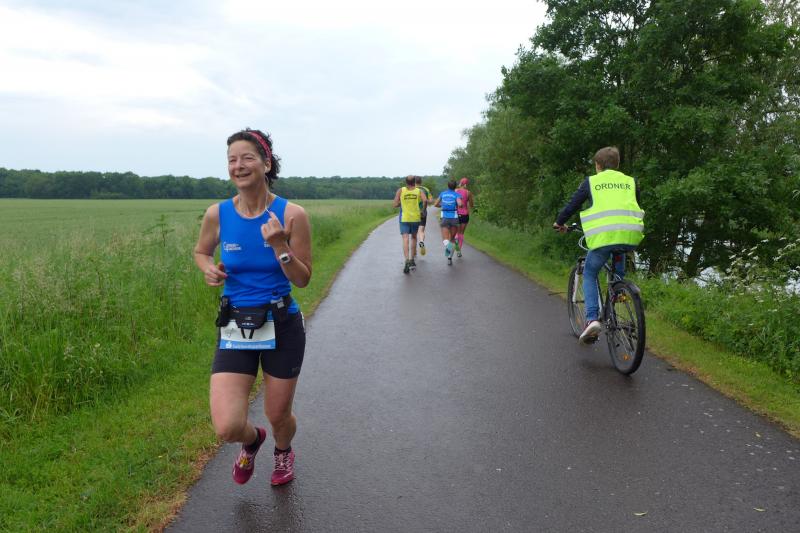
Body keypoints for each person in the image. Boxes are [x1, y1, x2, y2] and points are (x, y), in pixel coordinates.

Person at [194, 128, 312, 487]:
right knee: (227, 426)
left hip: (281, 322)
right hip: (236, 324)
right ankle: (253, 440)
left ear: (266, 163)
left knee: (278, 415)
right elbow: (201, 251)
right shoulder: (217, 214)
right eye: (232, 159)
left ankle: (282, 450)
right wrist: (208, 268)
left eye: (247, 157)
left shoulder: (292, 214)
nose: (238, 166)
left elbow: (303, 279)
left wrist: (280, 246)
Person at [553, 146, 644, 344]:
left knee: (589, 272)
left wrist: (559, 222)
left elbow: (572, 205)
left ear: (598, 165)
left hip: (604, 238)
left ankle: (592, 319)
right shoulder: (631, 182)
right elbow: (634, 206)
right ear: (617, 164)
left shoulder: (591, 182)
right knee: (618, 259)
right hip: (629, 235)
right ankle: (619, 291)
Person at [393, 175, 423, 274]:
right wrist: (423, 210)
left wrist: (402, 203)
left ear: (406, 182)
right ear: (414, 182)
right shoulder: (418, 191)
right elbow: (425, 200)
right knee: (414, 237)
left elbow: (395, 204)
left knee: (405, 238)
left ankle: (406, 260)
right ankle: (412, 259)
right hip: (415, 218)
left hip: (404, 218)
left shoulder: (401, 190)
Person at [434, 179, 463, 264]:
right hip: (454, 218)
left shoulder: (443, 194)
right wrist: (457, 204)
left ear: (448, 186)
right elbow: (460, 204)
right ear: (455, 186)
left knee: (445, 239)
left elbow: (435, 204)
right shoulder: (456, 194)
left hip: (444, 217)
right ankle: (450, 258)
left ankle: (448, 247)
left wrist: (442, 205)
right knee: (452, 239)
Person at [454, 178, 475, 257]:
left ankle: (455, 238)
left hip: (456, 214)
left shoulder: (455, 191)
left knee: (456, 232)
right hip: (465, 214)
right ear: (466, 184)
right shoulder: (468, 192)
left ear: (460, 183)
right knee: (461, 233)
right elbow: (472, 205)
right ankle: (459, 251)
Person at [414, 176, 431, 255]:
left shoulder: (411, 189)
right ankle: (421, 241)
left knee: (413, 233)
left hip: (412, 213)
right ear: (421, 182)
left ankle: (414, 251)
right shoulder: (426, 189)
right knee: (421, 231)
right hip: (423, 211)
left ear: (414, 182)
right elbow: (430, 200)